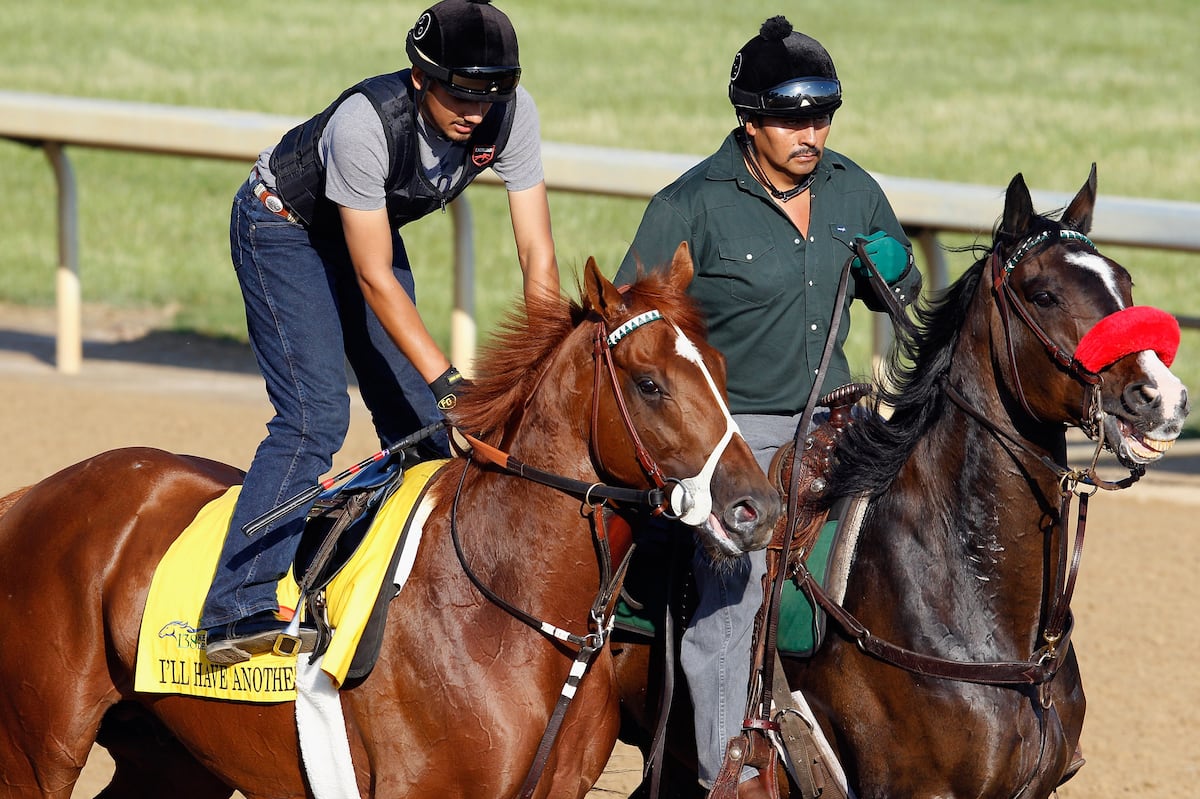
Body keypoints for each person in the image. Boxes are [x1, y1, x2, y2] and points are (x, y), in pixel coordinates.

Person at [614, 16, 921, 797]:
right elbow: (633, 329)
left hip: (842, 420)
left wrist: (896, 271)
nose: (811, 132)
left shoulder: (854, 188)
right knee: (735, 591)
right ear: (749, 120)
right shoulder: (689, 204)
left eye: (822, 116)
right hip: (732, 432)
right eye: (792, 119)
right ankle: (727, 772)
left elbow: (904, 292)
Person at [201, 0, 559, 665]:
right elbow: (373, 278)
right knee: (315, 417)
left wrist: (543, 356)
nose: (476, 112)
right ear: (420, 77)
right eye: (460, 94)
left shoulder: (517, 114)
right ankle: (234, 606)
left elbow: (537, 252)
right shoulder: (366, 123)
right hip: (283, 228)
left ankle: (424, 597)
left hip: (366, 226)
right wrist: (451, 383)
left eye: (491, 95)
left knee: (421, 427)